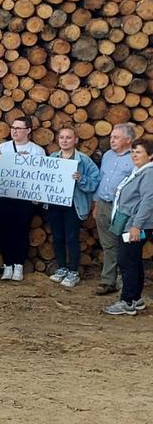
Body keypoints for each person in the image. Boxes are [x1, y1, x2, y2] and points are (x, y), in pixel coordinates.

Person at [45, 128, 100, 289]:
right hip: (55, 204)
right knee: (58, 237)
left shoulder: (84, 160)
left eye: (68, 137)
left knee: (71, 238)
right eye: (61, 137)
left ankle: (73, 271)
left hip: (74, 205)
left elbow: (95, 182)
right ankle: (61, 267)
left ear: (75, 140)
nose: (64, 140)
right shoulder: (52, 158)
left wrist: (81, 179)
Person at [104, 138, 153, 315]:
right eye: (132, 152)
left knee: (126, 261)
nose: (134, 155)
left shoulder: (148, 173)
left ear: (150, 156)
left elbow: (148, 200)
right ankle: (135, 298)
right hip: (131, 222)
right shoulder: (138, 171)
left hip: (135, 224)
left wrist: (136, 226)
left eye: (139, 152)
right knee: (133, 260)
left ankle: (127, 301)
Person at [0, 116, 40, 281]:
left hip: (25, 198)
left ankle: (18, 265)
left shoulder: (37, 150)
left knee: (21, 230)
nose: (14, 131)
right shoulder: (3, 147)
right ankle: (7, 265)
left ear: (28, 130)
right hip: (4, 196)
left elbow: (41, 175)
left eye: (19, 128)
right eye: (13, 127)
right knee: (5, 230)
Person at [92, 123, 136, 296]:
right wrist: (96, 204)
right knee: (108, 244)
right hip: (104, 204)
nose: (112, 140)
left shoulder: (135, 157)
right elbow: (101, 179)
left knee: (125, 245)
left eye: (116, 137)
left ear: (128, 140)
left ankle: (126, 282)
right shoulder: (108, 155)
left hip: (123, 208)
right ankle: (108, 281)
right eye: (111, 137)